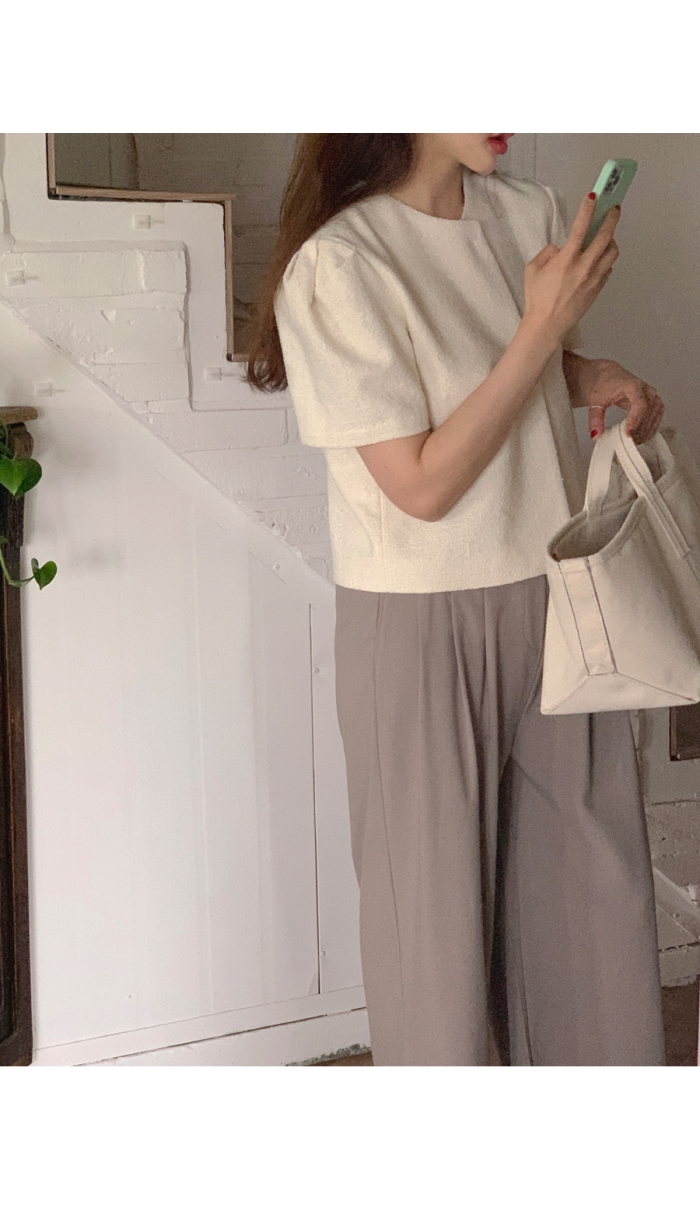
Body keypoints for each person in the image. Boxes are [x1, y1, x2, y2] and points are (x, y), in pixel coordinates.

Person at [243, 134, 667, 1066]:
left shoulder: (526, 212)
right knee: (431, 946)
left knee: (593, 913)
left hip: (556, 594)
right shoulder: (339, 265)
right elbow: (423, 486)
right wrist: (541, 329)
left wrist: (587, 372)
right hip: (419, 619)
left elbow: (505, 376)